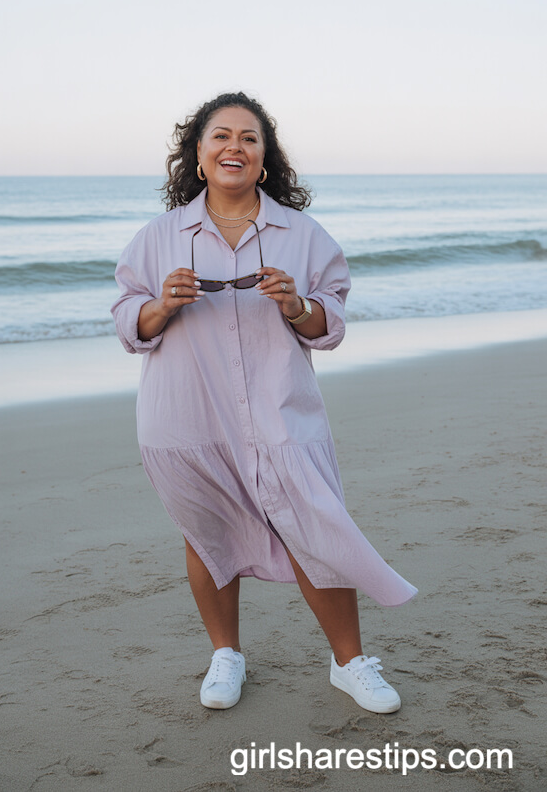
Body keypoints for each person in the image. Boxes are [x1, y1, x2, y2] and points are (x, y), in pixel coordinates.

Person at [111, 91, 417, 715]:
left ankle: (350, 663)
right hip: (187, 414)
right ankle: (226, 654)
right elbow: (127, 320)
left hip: (281, 411)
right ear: (198, 155)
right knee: (207, 532)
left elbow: (329, 326)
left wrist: (297, 305)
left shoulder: (303, 235)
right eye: (221, 136)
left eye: (249, 138)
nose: (235, 147)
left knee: (315, 525)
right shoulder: (158, 237)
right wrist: (161, 305)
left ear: (264, 157)